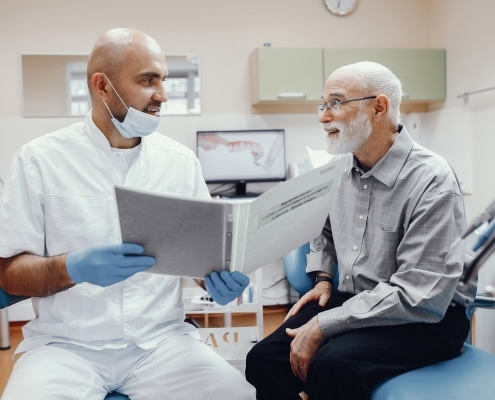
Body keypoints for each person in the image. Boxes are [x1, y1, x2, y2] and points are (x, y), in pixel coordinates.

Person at [0, 28, 254, 399]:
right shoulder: (39, 160)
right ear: (102, 86)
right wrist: (72, 267)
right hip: (66, 346)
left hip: (161, 342)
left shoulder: (179, 162)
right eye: (148, 80)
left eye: (163, 80)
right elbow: (9, 274)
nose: (162, 95)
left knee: (236, 394)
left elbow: (203, 259)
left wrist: (215, 279)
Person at [245, 61, 477, 400]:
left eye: (336, 103)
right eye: (322, 105)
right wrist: (324, 276)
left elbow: (420, 296)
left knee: (334, 366)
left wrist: (325, 325)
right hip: (355, 299)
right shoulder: (338, 170)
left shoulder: (432, 180)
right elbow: (321, 229)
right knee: (264, 359)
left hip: (425, 317)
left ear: (378, 107)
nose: (324, 116)